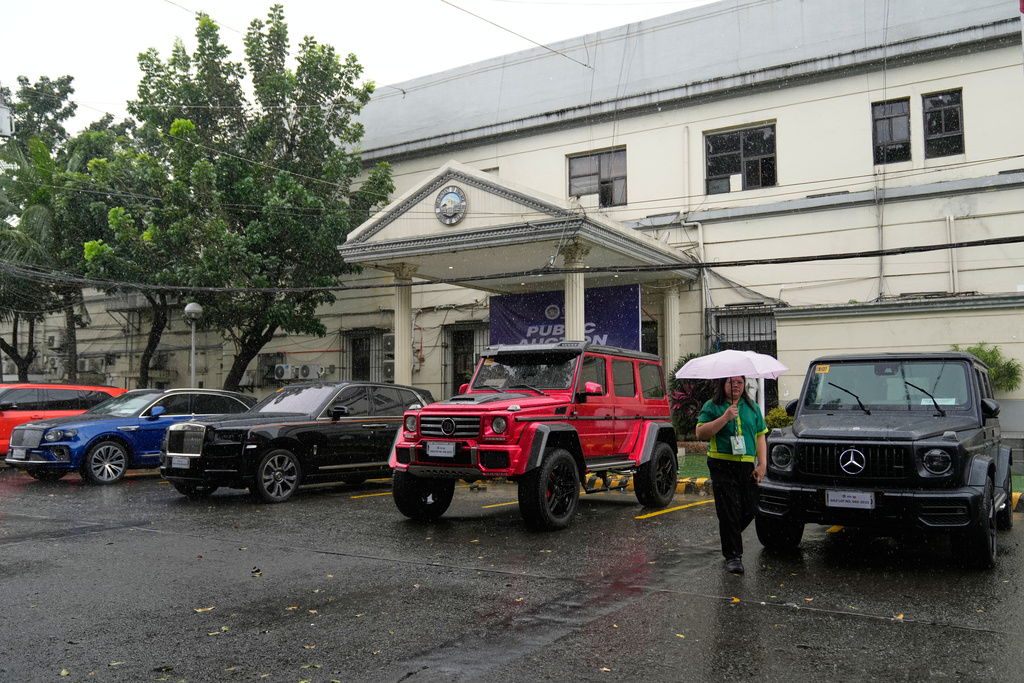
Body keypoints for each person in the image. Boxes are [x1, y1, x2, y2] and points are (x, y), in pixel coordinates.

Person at [695, 375, 767, 574]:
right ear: (722, 384)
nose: (735, 385)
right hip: (721, 464)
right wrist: (725, 417)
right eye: (730, 382)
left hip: (746, 465)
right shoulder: (712, 406)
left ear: (744, 385)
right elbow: (700, 434)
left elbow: (760, 435)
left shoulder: (752, 407)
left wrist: (762, 465)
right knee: (729, 511)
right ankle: (733, 556)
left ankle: (730, 533)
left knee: (750, 508)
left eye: (739, 382)